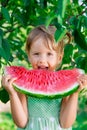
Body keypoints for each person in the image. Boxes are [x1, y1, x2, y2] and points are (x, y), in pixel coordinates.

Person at [1, 25, 87, 130]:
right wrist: (12, 93)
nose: (42, 60)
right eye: (36, 54)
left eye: (49, 54)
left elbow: (66, 124)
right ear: (29, 56)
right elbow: (21, 123)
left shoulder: (64, 84)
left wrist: (75, 93)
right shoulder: (23, 84)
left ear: (59, 58)